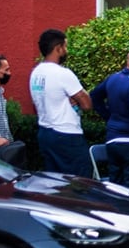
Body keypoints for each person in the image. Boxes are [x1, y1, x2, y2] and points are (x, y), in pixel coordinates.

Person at [29, 29, 93, 177]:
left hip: (45, 132)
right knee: (80, 182)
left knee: (55, 183)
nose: (66, 50)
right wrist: (77, 98)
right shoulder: (63, 74)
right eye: (65, 47)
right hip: (67, 134)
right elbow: (87, 104)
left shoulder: (36, 73)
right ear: (58, 48)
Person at [90, 46, 129, 189]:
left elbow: (94, 97)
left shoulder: (113, 79)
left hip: (112, 141)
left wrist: (110, 118)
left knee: (116, 190)